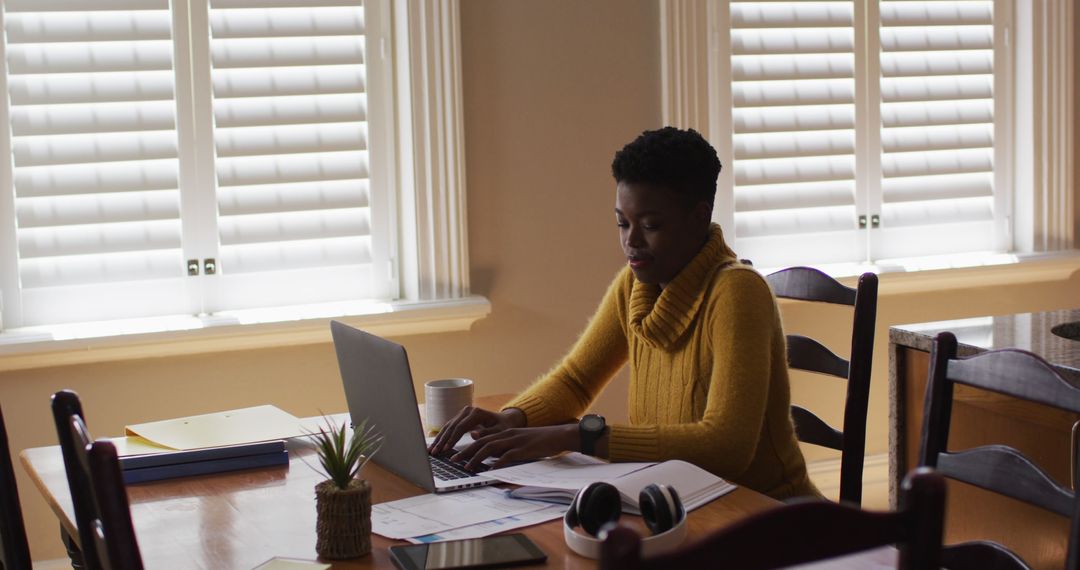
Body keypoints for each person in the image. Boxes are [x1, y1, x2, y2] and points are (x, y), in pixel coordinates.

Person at [430, 127, 819, 499]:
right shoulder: (634, 286)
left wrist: (581, 436)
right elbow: (576, 380)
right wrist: (513, 418)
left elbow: (727, 447)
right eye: (622, 222)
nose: (631, 241)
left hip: (768, 512)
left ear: (700, 217)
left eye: (650, 225)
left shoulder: (737, 292)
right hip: (675, 499)